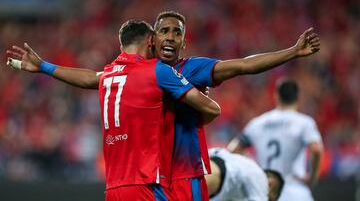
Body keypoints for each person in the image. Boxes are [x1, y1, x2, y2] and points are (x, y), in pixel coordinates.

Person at [7, 11, 320, 200]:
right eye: (164, 30)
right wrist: (45, 67)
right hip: (149, 180)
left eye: (178, 32)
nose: (171, 36)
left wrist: (291, 51)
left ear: (184, 42)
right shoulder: (136, 73)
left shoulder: (191, 68)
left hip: (184, 176)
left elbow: (242, 65)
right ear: (152, 39)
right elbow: (93, 78)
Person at [8, 20, 221, 200]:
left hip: (113, 187)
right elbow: (212, 108)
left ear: (122, 48)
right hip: (146, 183)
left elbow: (88, 78)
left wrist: (44, 66)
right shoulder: (157, 70)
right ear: (150, 41)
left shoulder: (109, 75)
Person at [227, 78, 323, 201]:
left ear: (276, 96)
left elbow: (233, 149)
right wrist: (312, 177)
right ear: (298, 97)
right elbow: (316, 149)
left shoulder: (257, 123)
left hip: (265, 191)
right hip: (295, 191)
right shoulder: (304, 122)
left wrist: (252, 165)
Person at [206, 148, 284, 201]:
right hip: (216, 176)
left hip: (208, 164)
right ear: (270, 184)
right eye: (268, 198)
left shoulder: (239, 160)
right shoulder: (261, 178)